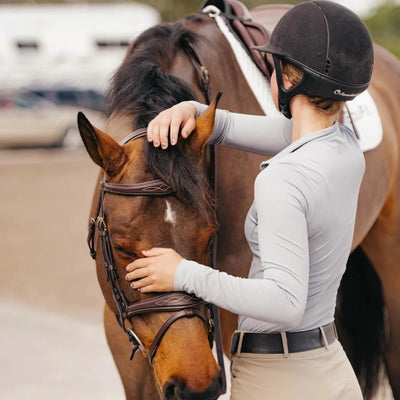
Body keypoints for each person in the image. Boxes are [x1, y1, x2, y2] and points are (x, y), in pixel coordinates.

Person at [125, 1, 374, 398]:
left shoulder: (283, 179)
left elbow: (285, 301)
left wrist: (183, 273)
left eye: (276, 68)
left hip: (278, 380)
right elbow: (257, 130)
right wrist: (195, 111)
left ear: (290, 78)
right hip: (328, 369)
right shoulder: (344, 146)